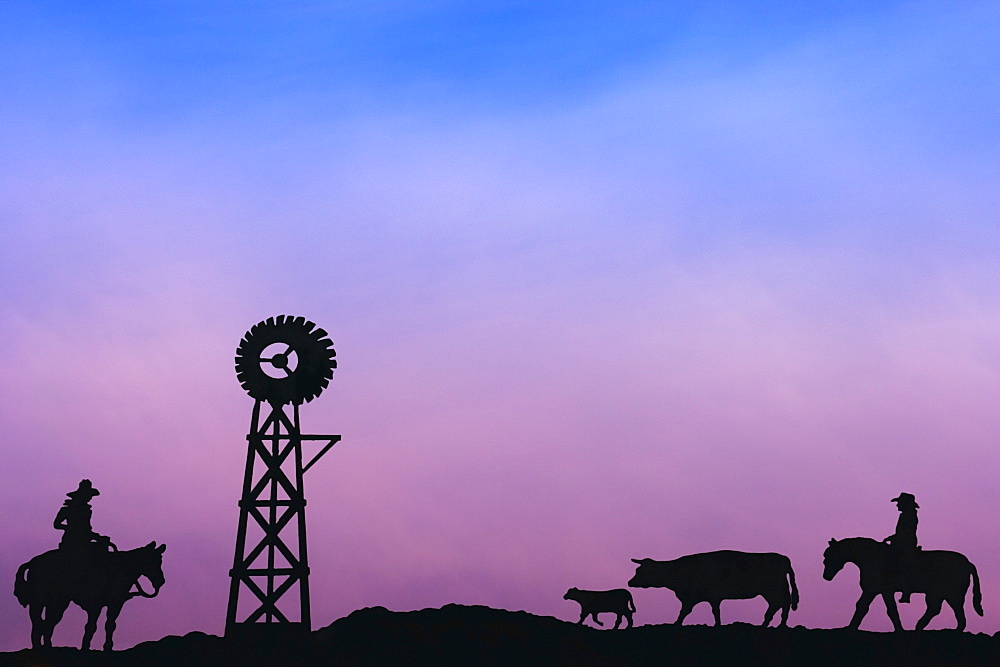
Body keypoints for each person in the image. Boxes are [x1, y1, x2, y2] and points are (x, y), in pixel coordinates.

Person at [54, 479, 111, 554]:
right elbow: (56, 524)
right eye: (88, 495)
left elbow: (86, 527)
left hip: (85, 537)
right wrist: (71, 528)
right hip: (72, 539)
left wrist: (95, 536)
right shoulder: (67, 509)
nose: (90, 498)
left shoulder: (86, 510)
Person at [883, 492, 919, 603]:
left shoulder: (909, 515)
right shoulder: (906, 514)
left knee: (900, 562)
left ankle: (906, 588)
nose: (897, 505)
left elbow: (905, 533)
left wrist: (893, 538)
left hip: (906, 544)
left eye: (899, 503)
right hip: (900, 542)